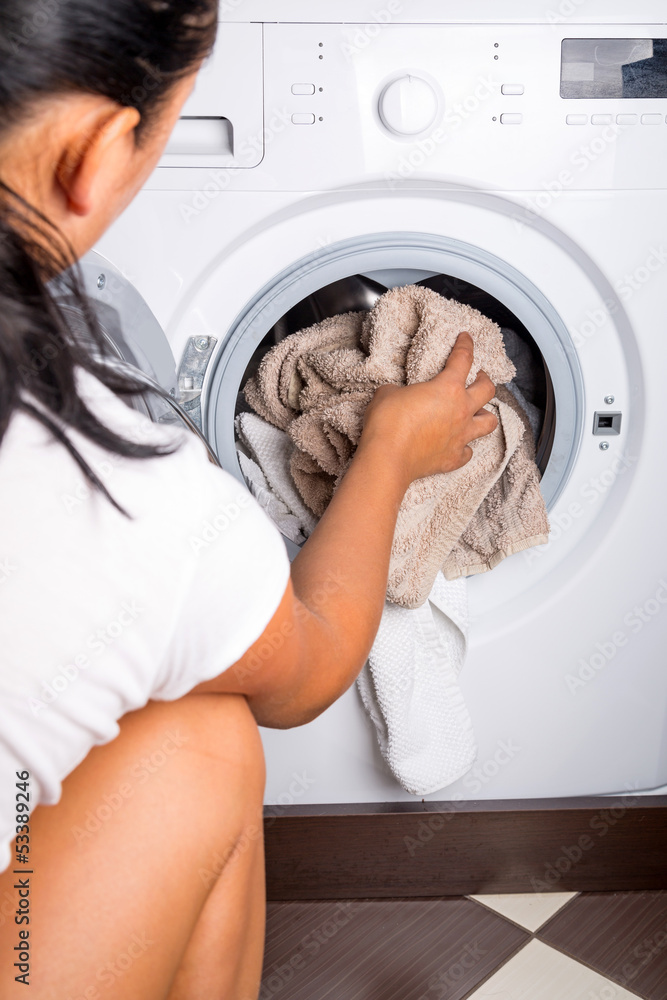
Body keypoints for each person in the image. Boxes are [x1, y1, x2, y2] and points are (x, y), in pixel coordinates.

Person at [0, 2, 498, 997]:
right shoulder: (106, 476)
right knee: (200, 736)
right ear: (98, 151)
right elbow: (305, 664)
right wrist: (388, 451)